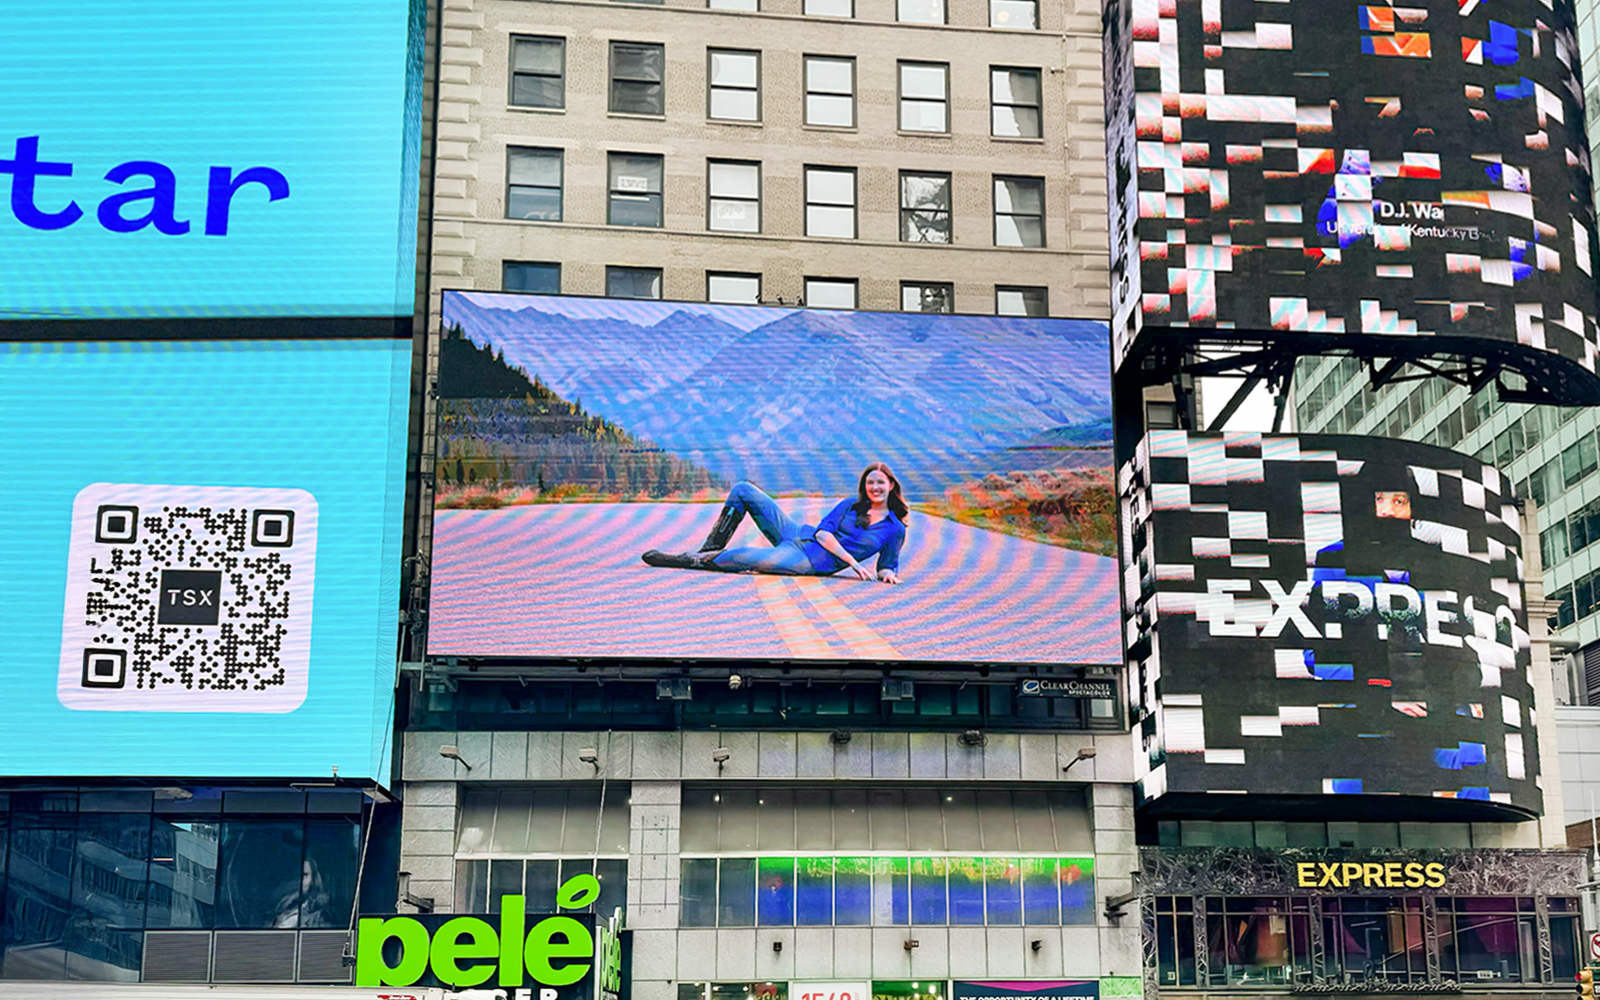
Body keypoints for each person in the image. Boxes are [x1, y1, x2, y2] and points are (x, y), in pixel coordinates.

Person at [642, 463, 907, 583]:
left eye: (880, 483)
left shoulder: (894, 528)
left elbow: (887, 564)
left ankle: (684, 560)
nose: (874, 487)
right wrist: (853, 563)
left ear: (891, 486)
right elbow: (823, 534)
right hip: (798, 534)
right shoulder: (850, 504)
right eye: (870, 482)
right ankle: (707, 552)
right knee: (743, 489)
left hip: (808, 561)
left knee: (744, 556)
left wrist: (887, 574)